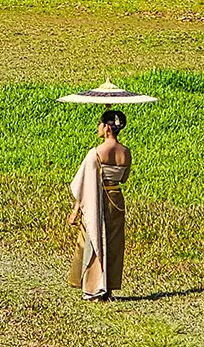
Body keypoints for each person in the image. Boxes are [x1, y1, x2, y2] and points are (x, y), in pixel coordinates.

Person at [68, 109, 131, 301]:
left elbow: (85, 184)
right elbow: (124, 178)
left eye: (100, 124)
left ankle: (94, 287)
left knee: (95, 239)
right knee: (113, 243)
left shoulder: (96, 153)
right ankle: (109, 288)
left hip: (99, 198)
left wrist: (75, 210)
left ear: (107, 128)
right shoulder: (126, 152)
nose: (98, 127)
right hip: (117, 199)